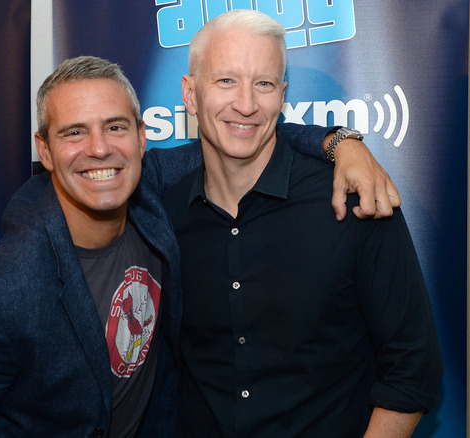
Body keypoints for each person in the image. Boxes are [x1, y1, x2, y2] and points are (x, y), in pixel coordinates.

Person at [0, 54, 400, 435]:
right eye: (75, 132)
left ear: (142, 138)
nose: (99, 148)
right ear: (45, 150)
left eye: (115, 127)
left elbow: (246, 133)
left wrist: (341, 142)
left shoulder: (149, 191)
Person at [157, 9, 443, 437]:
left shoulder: (353, 198)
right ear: (190, 93)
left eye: (264, 84)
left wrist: (341, 142)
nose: (247, 104)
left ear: (283, 95)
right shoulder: (162, 211)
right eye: (226, 80)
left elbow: (413, 367)